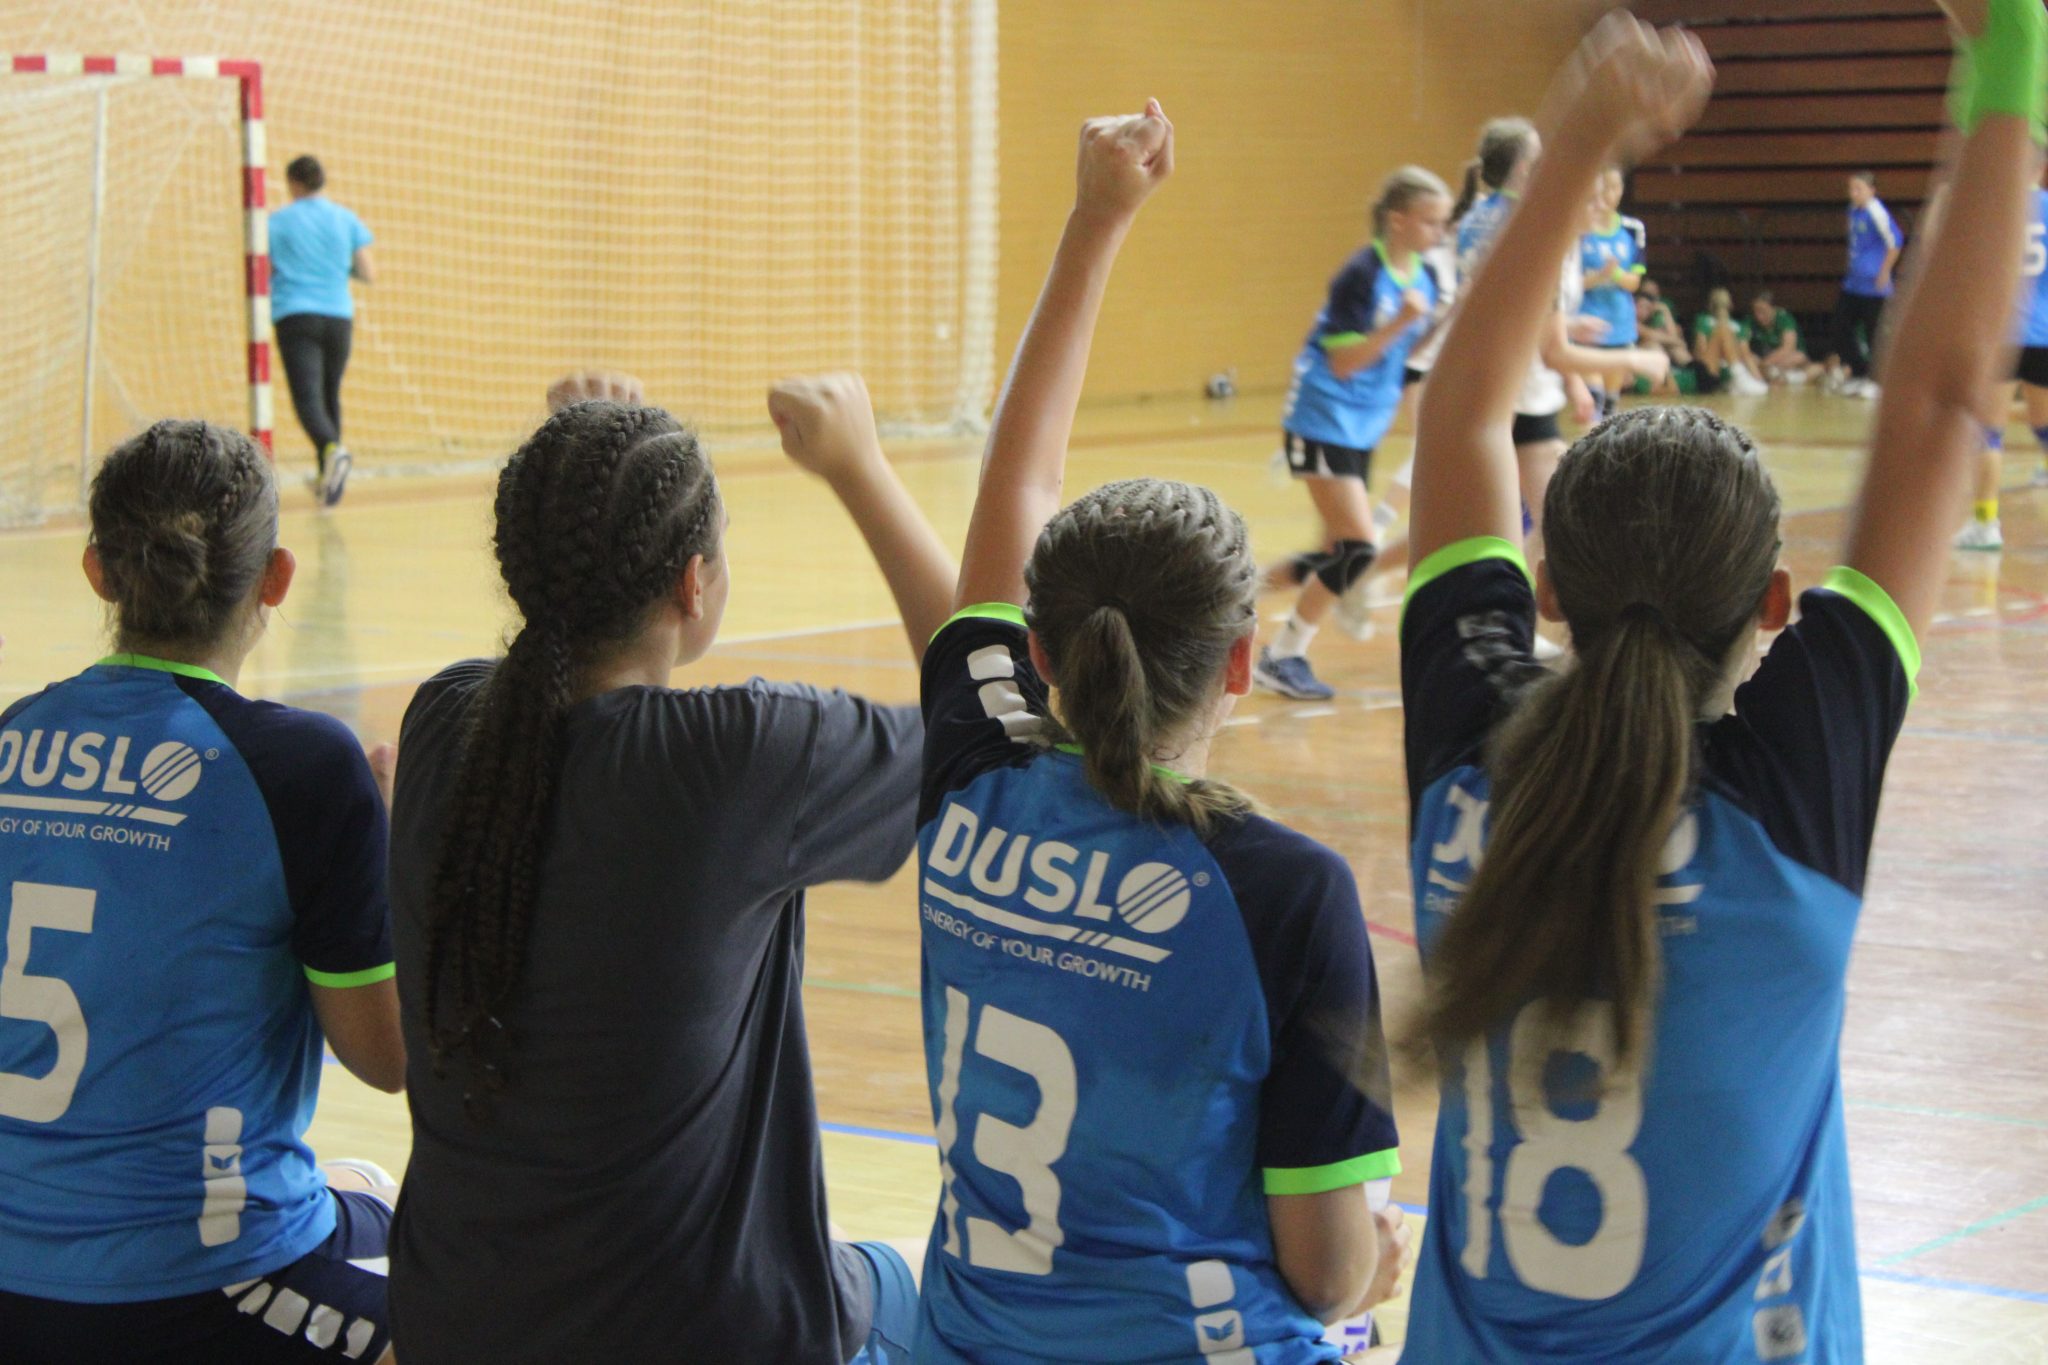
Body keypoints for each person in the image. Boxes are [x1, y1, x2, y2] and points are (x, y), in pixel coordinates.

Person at [1398, 3, 2037, 1360]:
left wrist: (1574, 139)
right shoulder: (1782, 819)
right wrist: (2008, 51)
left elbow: (1459, 410)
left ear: (1547, 588)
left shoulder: (1468, 773)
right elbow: (1939, 402)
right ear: (1773, 610)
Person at [914, 100, 1407, 1363]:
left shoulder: (970, 778)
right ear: (1241, 661)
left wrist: (1094, 223)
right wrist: (1371, 1260)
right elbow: (1326, 1278)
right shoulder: (1285, 891)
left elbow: (1013, 488)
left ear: (1038, 652)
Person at [383, 370, 952, 1363]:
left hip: (455, 1323)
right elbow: (993, 726)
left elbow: (539, 682)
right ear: (694, 583)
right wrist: (860, 470)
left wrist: (577, 478)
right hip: (707, 1336)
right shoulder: (739, 761)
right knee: (964, 1285)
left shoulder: (443, 725)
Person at [0, 420, 405, 1363]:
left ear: (98, 572)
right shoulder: (302, 767)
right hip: (195, 1288)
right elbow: (391, 1059)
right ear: (277, 578)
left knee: (365, 1188)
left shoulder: (14, 735)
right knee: (515, 1316)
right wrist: (401, 866)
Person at [1260, 166, 1451, 699]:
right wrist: (1400, 322)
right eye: (1431, 222)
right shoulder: (1361, 275)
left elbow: (1404, 354)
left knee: (1331, 554)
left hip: (1360, 428)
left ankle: (1227, 602)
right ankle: (1284, 654)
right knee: (1358, 549)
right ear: (1398, 221)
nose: (1440, 233)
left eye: (1444, 223)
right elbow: (1344, 362)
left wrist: (1438, 325)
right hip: (1323, 416)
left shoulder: (1424, 277)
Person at [269, 156, 375, 507]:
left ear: (294, 183)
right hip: (339, 317)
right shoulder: (345, 219)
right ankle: (328, 480)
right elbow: (367, 271)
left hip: (296, 315)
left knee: (308, 398)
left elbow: (264, 270)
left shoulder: (276, 222)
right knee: (330, 394)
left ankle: (333, 450)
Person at [1822, 170, 1903, 398]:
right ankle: (1858, 372)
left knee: (1874, 334)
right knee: (1840, 328)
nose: (1853, 193)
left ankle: (1877, 380)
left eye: (1858, 189)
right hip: (1853, 284)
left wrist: (1885, 271)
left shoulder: (1876, 212)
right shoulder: (1852, 211)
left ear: (1871, 191)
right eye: (1851, 188)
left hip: (1874, 287)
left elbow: (1895, 242)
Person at [1577, 167, 1648, 419]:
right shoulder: (1580, 229)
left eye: (1614, 187)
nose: (1608, 194)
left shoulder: (1633, 229)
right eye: (1603, 187)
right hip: (1587, 323)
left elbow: (1634, 283)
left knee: (1610, 406)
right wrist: (1599, 277)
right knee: (1593, 400)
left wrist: (1615, 274)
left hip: (1620, 323)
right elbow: (1570, 284)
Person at [1693, 287, 1770, 395]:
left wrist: (1759, 381)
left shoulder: (1738, 326)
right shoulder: (1705, 321)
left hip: (1723, 372)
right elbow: (1746, 355)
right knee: (1723, 330)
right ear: (1731, 305)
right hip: (1712, 372)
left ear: (1710, 305)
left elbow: (1700, 352)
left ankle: (1739, 380)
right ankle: (1740, 378)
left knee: (1725, 332)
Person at [1751, 290, 1809, 381]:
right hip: (1763, 359)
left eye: (1763, 311)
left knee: (1799, 357)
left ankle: (1775, 375)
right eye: (1755, 311)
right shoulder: (1750, 320)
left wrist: (1765, 363)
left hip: (1780, 360)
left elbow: (1788, 348)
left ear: (1774, 308)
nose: (1759, 316)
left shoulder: (1784, 319)